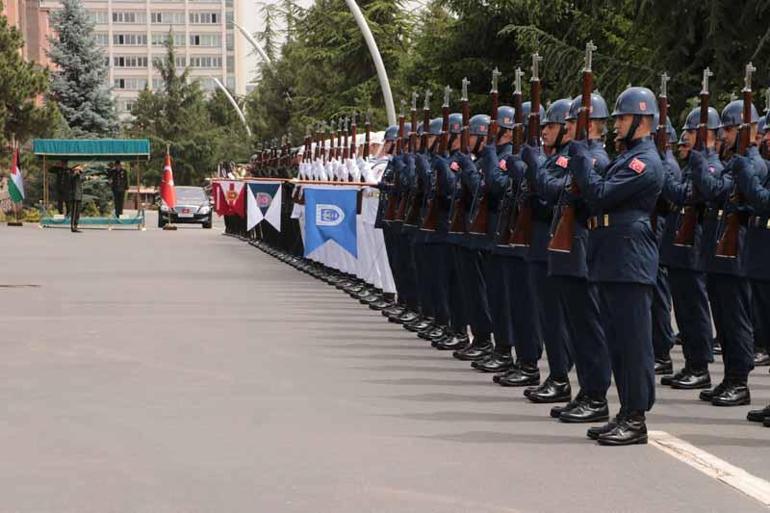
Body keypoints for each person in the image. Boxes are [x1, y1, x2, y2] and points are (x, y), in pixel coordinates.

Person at [569, 86, 664, 445]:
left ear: (642, 121)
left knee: (633, 342)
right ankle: (625, 411)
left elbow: (601, 194)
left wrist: (579, 158)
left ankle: (636, 418)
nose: (615, 125)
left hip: (629, 259)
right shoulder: (627, 157)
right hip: (613, 257)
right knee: (619, 342)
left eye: (622, 118)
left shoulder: (645, 162)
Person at [526, 93, 613, 421]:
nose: (565, 128)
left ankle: (597, 395)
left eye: (572, 122)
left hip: (583, 251)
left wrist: (540, 171)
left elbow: (561, 190)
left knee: (589, 329)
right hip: (567, 250)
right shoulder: (579, 156)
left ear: (589, 125)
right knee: (577, 328)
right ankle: (586, 391)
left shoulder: (596, 158)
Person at [691, 99, 764, 407]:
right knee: (723, 315)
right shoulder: (734, 161)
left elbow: (717, 190)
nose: (723, 135)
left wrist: (702, 161)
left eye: (731, 129)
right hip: (722, 245)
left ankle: (740, 380)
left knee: (736, 318)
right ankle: (730, 376)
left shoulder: (752, 163)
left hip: (738, 247)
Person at [658, 106, 721, 390]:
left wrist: (663, 176)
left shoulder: (708, 165)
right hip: (681, 248)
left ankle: (700, 366)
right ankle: (690, 362)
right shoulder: (691, 166)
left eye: (691, 134)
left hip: (694, 247)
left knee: (695, 310)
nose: (684, 141)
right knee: (683, 310)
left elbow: (686, 196)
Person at [520, 98, 574, 404]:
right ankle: (556, 373)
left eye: (551, 126)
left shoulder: (565, 160)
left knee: (554, 316)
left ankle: (560, 375)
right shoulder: (553, 158)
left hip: (551, 243)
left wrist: (534, 167)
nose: (544, 132)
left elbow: (550, 195)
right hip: (541, 243)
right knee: (548, 315)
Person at [69, 164, 84, 233]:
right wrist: (76, 172)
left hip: (79, 196)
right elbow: (72, 178)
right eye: (78, 168)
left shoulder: (80, 175)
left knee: (77, 212)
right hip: (74, 196)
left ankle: (76, 226)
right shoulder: (72, 175)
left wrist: (81, 172)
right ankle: (72, 226)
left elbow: (83, 178)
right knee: (74, 212)